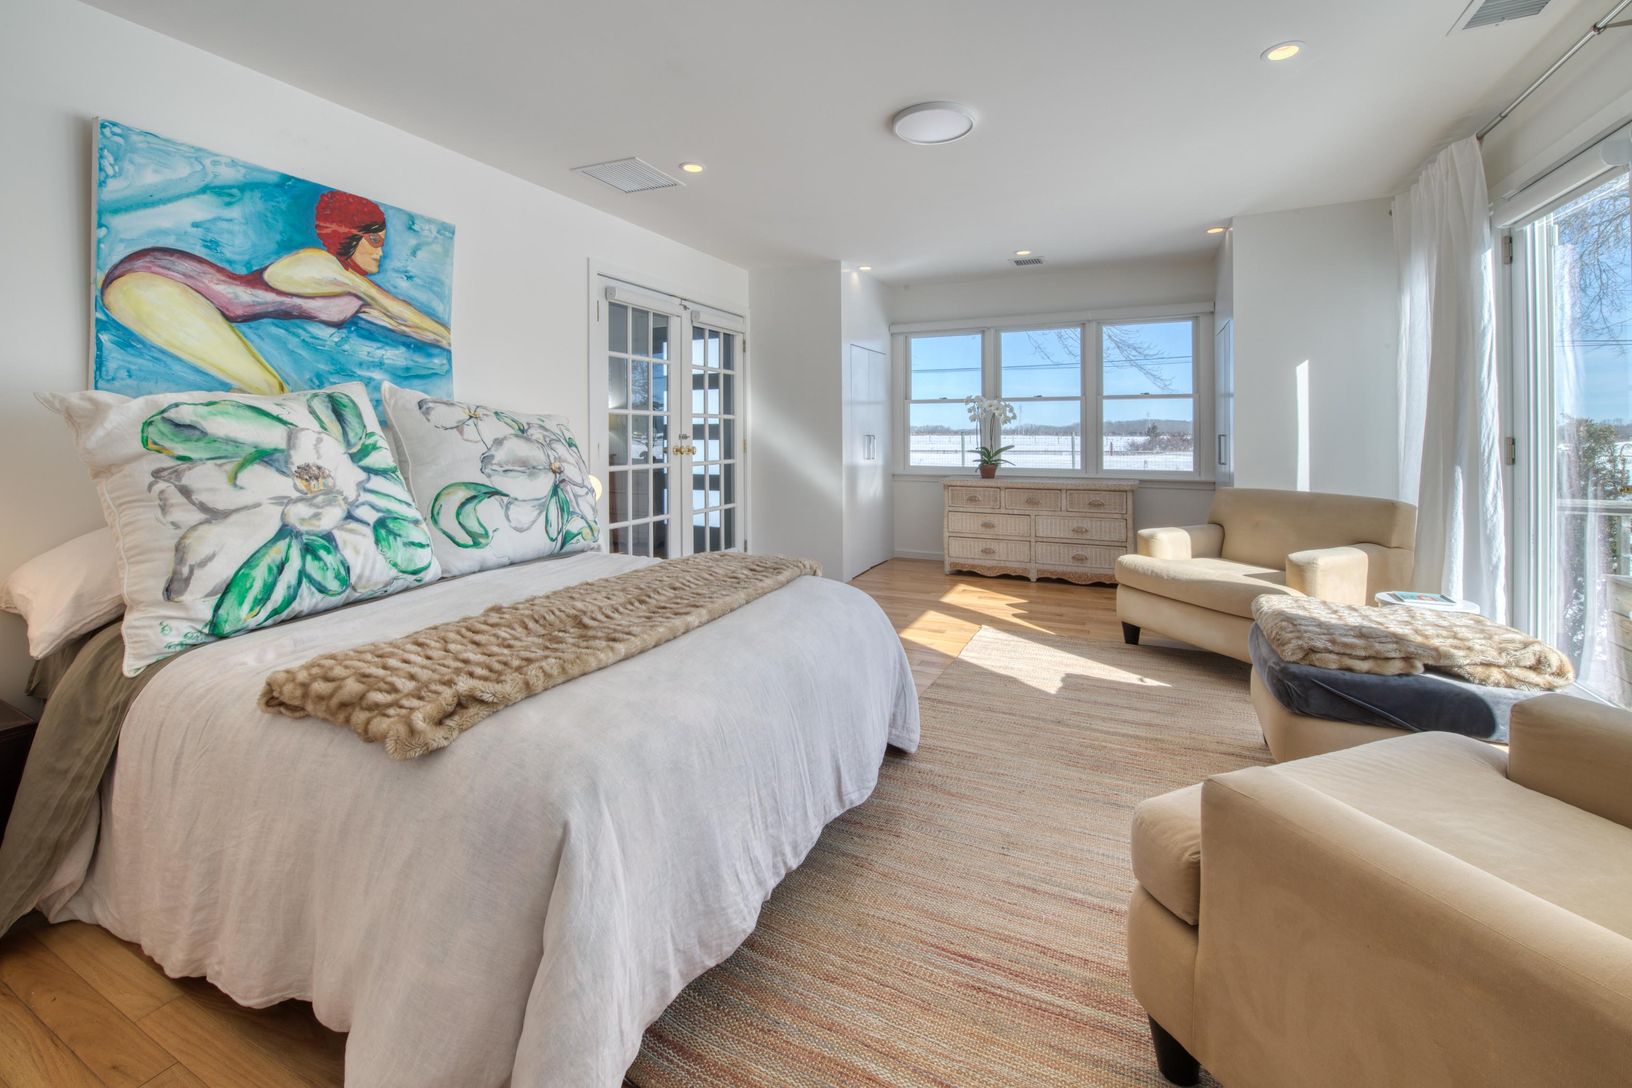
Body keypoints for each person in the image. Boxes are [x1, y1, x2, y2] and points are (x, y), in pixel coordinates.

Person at [101, 191, 451, 394]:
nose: (380, 252)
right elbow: (396, 307)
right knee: (269, 390)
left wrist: (447, 342)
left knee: (267, 392)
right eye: (374, 240)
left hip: (176, 288)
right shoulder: (321, 264)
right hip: (155, 280)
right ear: (348, 237)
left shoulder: (348, 294)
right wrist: (454, 340)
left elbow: (405, 325)